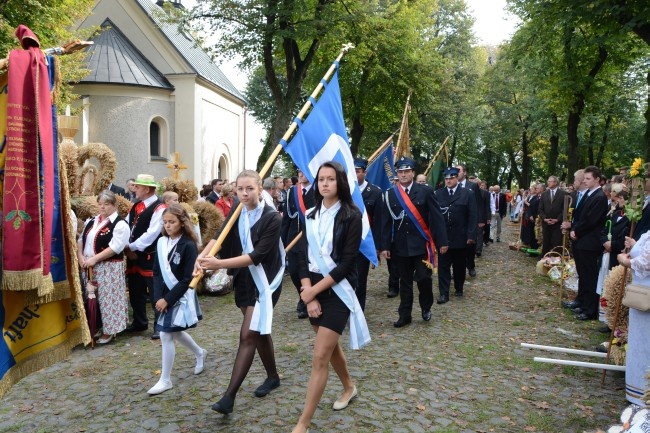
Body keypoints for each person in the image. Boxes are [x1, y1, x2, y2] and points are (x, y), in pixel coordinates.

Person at [196, 169, 284, 414]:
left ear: (260, 189)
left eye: (250, 189)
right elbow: (219, 237)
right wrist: (202, 257)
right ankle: (273, 376)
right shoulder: (236, 210)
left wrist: (218, 265)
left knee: (247, 336)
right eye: (240, 189)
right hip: (244, 280)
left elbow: (257, 257)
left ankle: (229, 397)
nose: (244, 194)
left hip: (265, 282)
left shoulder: (271, 218)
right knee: (259, 330)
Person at [291, 161, 370, 433]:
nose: (325, 184)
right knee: (330, 345)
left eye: (330, 179)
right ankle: (349, 386)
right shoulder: (310, 214)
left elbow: (348, 263)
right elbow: (301, 256)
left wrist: (315, 291)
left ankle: (303, 423)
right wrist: (307, 293)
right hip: (311, 287)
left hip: (337, 289)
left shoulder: (351, 215)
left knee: (319, 357)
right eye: (321, 179)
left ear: (340, 183)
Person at [380, 157, 448, 327]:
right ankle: (405, 315)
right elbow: (385, 222)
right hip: (400, 246)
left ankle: (426, 307)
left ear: (413, 173)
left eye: (407, 171)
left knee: (424, 278)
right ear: (397, 174)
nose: (403, 175)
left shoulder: (425, 191)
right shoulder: (390, 194)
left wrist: (442, 242)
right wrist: (385, 246)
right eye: (400, 172)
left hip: (422, 245)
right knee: (405, 281)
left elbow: (436, 218)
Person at [147, 204, 207, 395]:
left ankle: (165, 379)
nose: (168, 226)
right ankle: (199, 352)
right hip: (163, 295)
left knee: (166, 334)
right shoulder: (161, 243)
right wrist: (157, 297)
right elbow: (156, 272)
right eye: (165, 222)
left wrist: (168, 299)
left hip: (179, 295)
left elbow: (186, 279)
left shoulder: (188, 245)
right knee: (174, 332)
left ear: (182, 223)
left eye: (171, 222)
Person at [78, 190, 129, 344]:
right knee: (92, 299)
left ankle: (110, 330)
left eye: (106, 204)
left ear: (114, 205)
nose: (102, 207)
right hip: (89, 265)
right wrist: (80, 257)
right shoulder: (92, 221)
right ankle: (97, 326)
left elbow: (116, 247)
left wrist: (95, 259)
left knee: (109, 298)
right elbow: (81, 239)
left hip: (109, 266)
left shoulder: (120, 224)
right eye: (100, 204)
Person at [564, 166, 608, 320]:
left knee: (589, 275)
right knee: (582, 274)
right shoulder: (589, 193)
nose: (585, 181)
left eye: (588, 179)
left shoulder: (599, 197)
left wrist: (577, 230)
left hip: (589, 241)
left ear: (597, 179)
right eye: (585, 178)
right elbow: (580, 215)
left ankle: (590, 309)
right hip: (581, 239)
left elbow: (591, 220)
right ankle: (581, 301)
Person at [124, 174, 165, 339]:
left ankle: (160, 326)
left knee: (155, 292)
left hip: (150, 255)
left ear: (147, 189)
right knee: (135, 291)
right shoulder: (135, 206)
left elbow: (152, 233)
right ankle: (139, 322)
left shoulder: (159, 208)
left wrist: (132, 246)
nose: (134, 189)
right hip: (133, 255)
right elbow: (126, 226)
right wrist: (126, 246)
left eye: (137, 187)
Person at [434, 167, 476, 303]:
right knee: (443, 267)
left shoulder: (467, 194)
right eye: (446, 178)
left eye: (451, 178)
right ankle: (443, 293)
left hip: (460, 236)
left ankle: (459, 287)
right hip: (444, 237)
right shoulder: (438, 194)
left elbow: (472, 216)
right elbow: (434, 217)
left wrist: (471, 235)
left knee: (459, 266)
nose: (448, 181)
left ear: (456, 178)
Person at [618, 234, 650, 406]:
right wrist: (635, 245)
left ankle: (644, 394)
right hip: (640, 293)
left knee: (646, 345)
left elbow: (646, 262)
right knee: (639, 343)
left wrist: (625, 261)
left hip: (647, 295)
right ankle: (637, 389)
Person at [281, 170, 315, 319]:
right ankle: (302, 296)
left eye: (304, 171)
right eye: (299, 171)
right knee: (294, 271)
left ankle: (310, 298)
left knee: (312, 271)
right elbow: (287, 218)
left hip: (312, 238)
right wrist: (282, 243)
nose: (301, 175)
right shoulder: (292, 192)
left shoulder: (318, 189)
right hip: (294, 237)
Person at [353, 157, 383, 311]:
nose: (354, 174)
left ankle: (358, 311)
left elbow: (379, 222)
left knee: (360, 279)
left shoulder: (375, 192)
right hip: (345, 242)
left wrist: (377, 246)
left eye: (357, 171)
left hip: (364, 243)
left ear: (364, 172)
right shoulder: (345, 191)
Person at [455, 165, 480, 277]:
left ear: (464, 173)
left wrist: (481, 220)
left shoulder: (473, 186)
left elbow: (479, 203)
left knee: (470, 247)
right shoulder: (452, 185)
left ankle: (470, 266)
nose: (456, 173)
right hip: (456, 222)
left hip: (469, 221)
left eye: (458, 171)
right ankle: (457, 269)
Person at [538, 176, 566, 255]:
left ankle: (556, 261)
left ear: (555, 182)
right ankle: (544, 260)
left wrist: (557, 219)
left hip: (557, 224)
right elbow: (540, 209)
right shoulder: (544, 194)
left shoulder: (563, 194)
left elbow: (564, 209)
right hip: (546, 224)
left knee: (557, 244)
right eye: (548, 181)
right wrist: (544, 218)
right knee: (546, 242)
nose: (548, 183)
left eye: (550, 181)